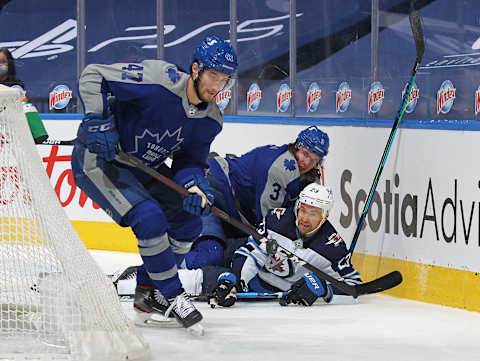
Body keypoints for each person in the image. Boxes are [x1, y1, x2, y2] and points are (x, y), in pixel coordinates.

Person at [71, 35, 238, 334]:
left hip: (142, 167)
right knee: (149, 218)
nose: (217, 86)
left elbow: (189, 162)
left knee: (190, 220)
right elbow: (94, 74)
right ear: (196, 68)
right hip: (99, 160)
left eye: (224, 80)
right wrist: (97, 119)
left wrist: (195, 187)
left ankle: (149, 295)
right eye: (213, 75)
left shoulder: (211, 119)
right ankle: (173, 294)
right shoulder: (159, 81)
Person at [173, 183, 362, 307]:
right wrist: (237, 282)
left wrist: (324, 288)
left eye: (312, 214)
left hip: (279, 299)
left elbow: (354, 287)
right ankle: (148, 282)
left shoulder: (332, 246)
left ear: (325, 216)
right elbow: (251, 252)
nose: (304, 218)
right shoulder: (277, 219)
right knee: (201, 276)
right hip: (251, 280)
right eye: (302, 210)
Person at [185, 125, 330, 269]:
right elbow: (270, 222)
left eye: (314, 160)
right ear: (297, 146)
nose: (307, 163)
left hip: (237, 212)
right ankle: (168, 274)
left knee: (242, 257)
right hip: (212, 193)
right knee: (209, 254)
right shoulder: (282, 168)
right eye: (305, 154)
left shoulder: (308, 179)